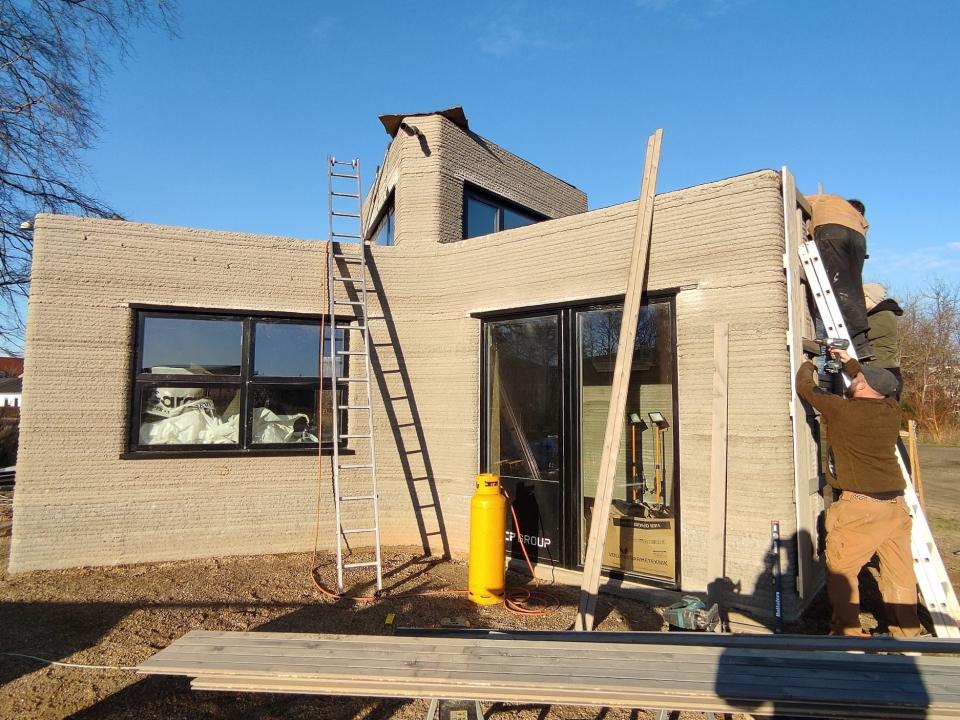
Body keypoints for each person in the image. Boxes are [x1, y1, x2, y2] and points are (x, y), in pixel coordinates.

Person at [795, 348, 920, 637]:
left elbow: (806, 388)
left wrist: (807, 364)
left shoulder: (842, 409)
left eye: (858, 379)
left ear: (863, 385)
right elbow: (869, 384)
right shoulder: (891, 410)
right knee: (899, 572)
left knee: (842, 569)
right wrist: (848, 363)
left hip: (861, 509)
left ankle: (847, 633)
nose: (854, 380)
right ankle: (906, 635)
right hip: (895, 507)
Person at [805, 193, 874, 359]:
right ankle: (860, 343)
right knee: (853, 287)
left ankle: (833, 338)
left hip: (832, 231)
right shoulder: (856, 215)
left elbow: (796, 198)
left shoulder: (825, 199)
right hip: (858, 239)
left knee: (831, 285)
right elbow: (865, 228)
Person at [864, 282, 904, 400]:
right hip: (879, 371)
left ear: (871, 297)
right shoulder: (874, 315)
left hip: (885, 372)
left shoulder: (884, 316)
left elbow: (862, 334)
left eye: (862, 296)